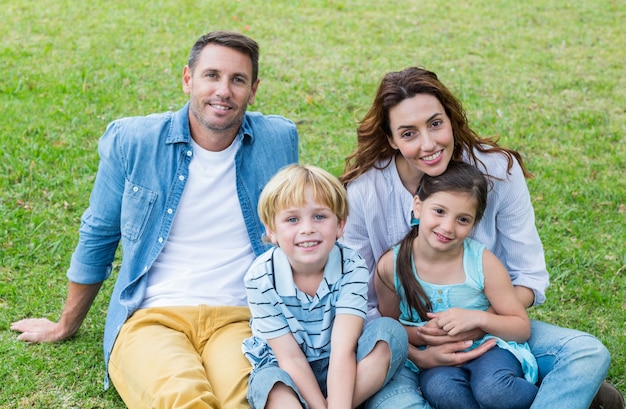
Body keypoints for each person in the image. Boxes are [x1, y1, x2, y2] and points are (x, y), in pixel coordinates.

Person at [11, 31, 299, 408]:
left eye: (238, 80)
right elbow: (99, 233)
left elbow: (299, 230)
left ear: (253, 89)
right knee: (180, 399)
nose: (223, 90)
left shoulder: (278, 139)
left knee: (248, 399)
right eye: (211, 75)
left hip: (242, 319)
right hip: (153, 318)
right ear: (187, 79)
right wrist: (67, 323)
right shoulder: (133, 140)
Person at [339, 67, 622, 409]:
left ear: (450, 118)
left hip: (494, 332)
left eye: (435, 124)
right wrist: (417, 349)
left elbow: (529, 277)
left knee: (586, 353)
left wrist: (475, 322)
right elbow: (358, 302)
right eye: (409, 133)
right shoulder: (364, 192)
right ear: (391, 139)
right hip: (407, 347)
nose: (428, 144)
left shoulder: (497, 172)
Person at [376, 160, 539, 409]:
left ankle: (555, 396)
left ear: (474, 223)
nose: (447, 227)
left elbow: (520, 326)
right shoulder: (392, 265)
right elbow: (390, 325)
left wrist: (478, 319)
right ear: (418, 206)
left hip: (490, 349)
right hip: (437, 359)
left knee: (493, 389)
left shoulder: (482, 262)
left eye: (462, 219)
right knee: (442, 391)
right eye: (439, 211)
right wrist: (421, 335)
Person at [242, 164, 407, 409]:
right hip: (287, 369)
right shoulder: (260, 277)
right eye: (292, 219)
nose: (307, 228)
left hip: (344, 363)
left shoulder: (351, 265)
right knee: (271, 385)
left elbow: (343, 349)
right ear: (271, 230)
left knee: (390, 333)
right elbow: (290, 358)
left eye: (319, 216)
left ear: (340, 225)